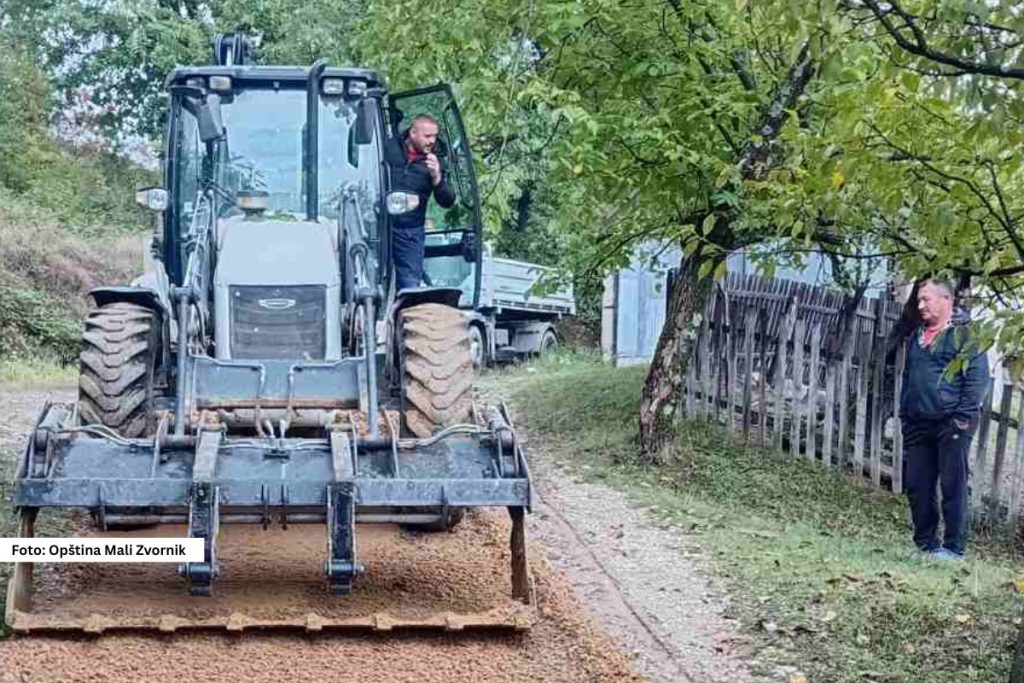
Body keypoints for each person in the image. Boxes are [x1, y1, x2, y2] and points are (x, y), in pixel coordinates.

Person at [900, 279, 989, 560]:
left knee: (953, 486)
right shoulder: (917, 337)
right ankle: (926, 544)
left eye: (926, 299)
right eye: (919, 300)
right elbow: (908, 377)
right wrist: (905, 412)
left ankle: (953, 548)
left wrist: (961, 419)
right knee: (917, 485)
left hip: (951, 423)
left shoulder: (966, 337)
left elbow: (977, 381)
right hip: (917, 422)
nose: (920, 305)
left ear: (946, 301)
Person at [385, 114, 456, 290]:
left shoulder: (436, 160)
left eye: (434, 136)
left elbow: (448, 200)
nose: (432, 141)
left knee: (409, 284)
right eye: (427, 136)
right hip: (379, 225)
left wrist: (437, 177)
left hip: (410, 231)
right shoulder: (389, 147)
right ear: (413, 133)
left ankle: (406, 314)